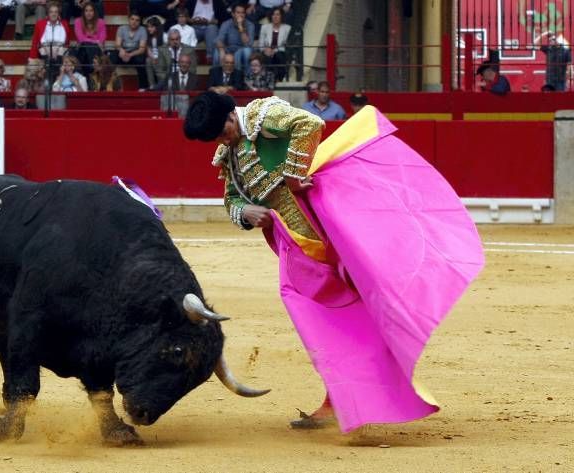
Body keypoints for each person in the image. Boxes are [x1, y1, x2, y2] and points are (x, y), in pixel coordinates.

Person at [182, 91, 484, 435]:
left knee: (352, 307)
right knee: (319, 315)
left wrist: (293, 176)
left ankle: (367, 392)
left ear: (230, 117)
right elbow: (233, 198)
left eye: (223, 133)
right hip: (298, 244)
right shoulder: (229, 154)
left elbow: (310, 123)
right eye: (217, 140)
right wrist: (245, 212)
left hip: (331, 225)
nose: (223, 141)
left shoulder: (264, 116)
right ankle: (342, 397)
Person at [29, 1, 71, 77]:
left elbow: (67, 44)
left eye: (56, 12)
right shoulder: (40, 24)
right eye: (51, 12)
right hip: (44, 58)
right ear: (48, 13)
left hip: (60, 58)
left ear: (59, 13)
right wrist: (32, 58)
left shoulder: (64, 24)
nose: (53, 14)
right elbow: (35, 42)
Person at [110, 12, 148, 90]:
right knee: (112, 56)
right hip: (122, 54)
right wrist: (122, 51)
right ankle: (109, 83)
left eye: (137, 20)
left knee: (142, 58)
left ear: (139, 22)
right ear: (128, 20)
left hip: (134, 55)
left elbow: (142, 49)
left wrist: (130, 55)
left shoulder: (142, 30)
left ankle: (142, 87)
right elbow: (117, 44)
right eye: (132, 19)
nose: (134, 22)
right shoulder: (122, 28)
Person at [186, 0, 228, 66]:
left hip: (210, 26)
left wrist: (213, 21)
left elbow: (224, 19)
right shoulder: (191, 1)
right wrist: (191, 20)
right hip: (194, 26)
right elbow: (184, 16)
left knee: (212, 28)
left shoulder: (218, 2)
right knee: (188, 31)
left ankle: (210, 58)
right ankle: (190, 57)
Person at [215, 2, 254, 72]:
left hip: (242, 49)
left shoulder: (250, 25)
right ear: (233, 14)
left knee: (247, 51)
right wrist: (221, 50)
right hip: (228, 49)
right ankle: (217, 78)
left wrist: (240, 27)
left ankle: (246, 77)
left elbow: (248, 44)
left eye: (243, 13)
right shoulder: (226, 24)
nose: (241, 15)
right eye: (238, 13)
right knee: (216, 52)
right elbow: (219, 39)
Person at [73, 1, 106, 75]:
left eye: (91, 10)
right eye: (86, 10)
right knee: (86, 45)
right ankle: (92, 70)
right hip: (82, 49)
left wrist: (94, 42)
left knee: (89, 47)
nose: (89, 13)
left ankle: (87, 74)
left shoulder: (100, 22)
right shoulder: (78, 21)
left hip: (96, 50)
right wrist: (95, 41)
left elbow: (102, 39)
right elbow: (81, 39)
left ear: (94, 12)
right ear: (83, 12)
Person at [258, 7, 290, 81]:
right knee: (267, 57)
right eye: (273, 14)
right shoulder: (264, 27)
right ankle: (270, 80)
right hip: (266, 52)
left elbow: (286, 46)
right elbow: (261, 45)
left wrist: (274, 51)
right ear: (270, 16)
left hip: (280, 52)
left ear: (281, 16)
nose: (275, 16)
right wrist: (265, 49)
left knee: (279, 55)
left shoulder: (287, 28)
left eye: (277, 14)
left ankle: (280, 79)